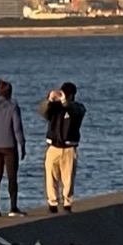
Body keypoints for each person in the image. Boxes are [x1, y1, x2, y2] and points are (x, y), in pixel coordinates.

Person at [39, 82, 86, 214]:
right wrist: (49, 100)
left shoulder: (78, 108)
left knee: (68, 177)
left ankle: (67, 203)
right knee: (50, 177)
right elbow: (42, 112)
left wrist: (65, 101)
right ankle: (52, 203)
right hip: (53, 147)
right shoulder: (54, 108)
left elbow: (75, 111)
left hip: (69, 148)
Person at [0, 79, 26, 217]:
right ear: (9, 93)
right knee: (12, 177)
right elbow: (17, 127)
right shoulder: (13, 107)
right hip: (9, 146)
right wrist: (22, 144)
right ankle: (13, 207)